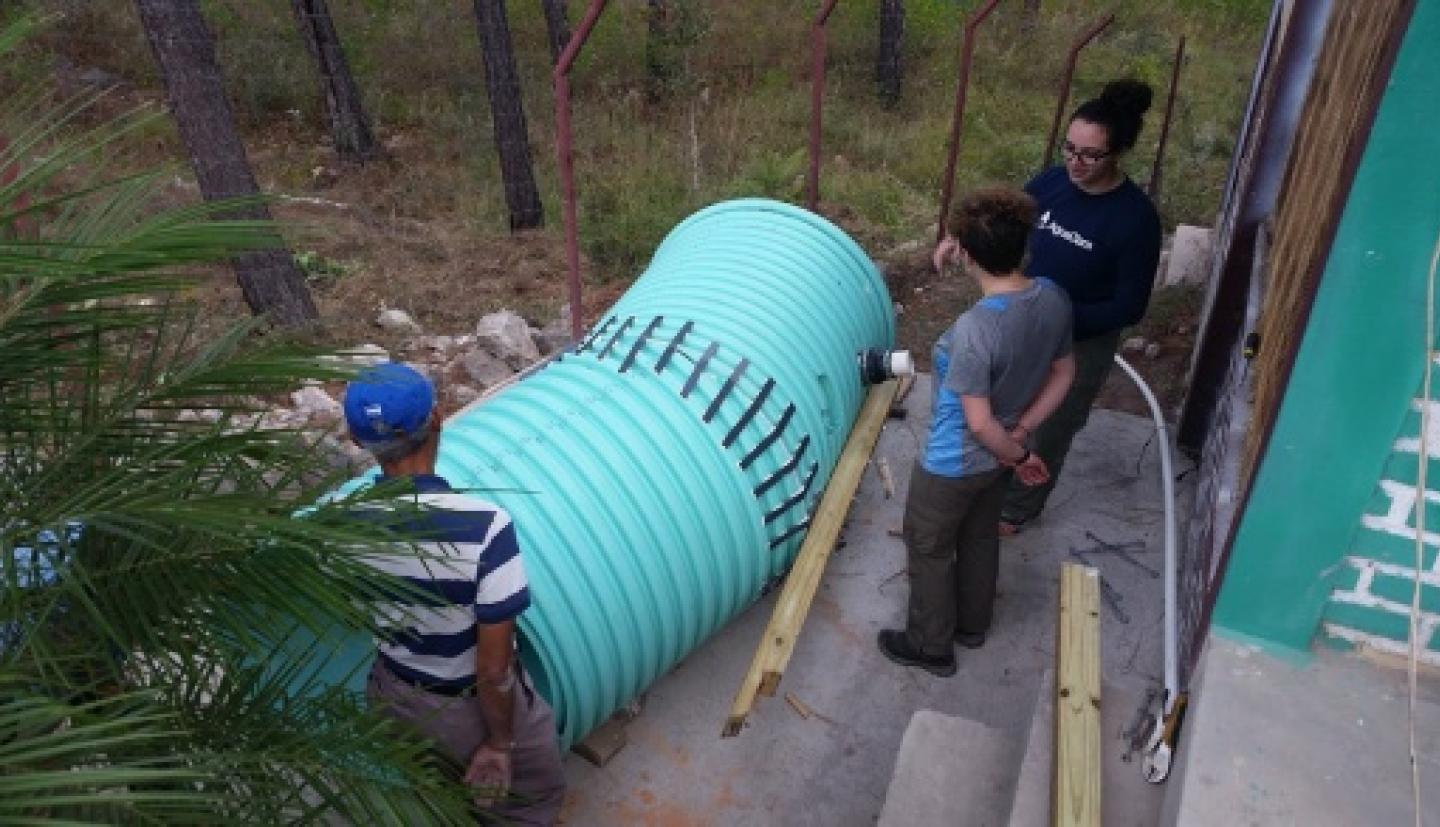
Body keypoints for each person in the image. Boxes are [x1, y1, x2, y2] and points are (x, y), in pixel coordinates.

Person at [343, 362, 565, 825]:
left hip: (391, 693)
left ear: (356, 438)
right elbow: (493, 668)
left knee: (442, 790)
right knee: (530, 798)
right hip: (462, 708)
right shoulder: (484, 527)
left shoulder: (339, 529)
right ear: (439, 417)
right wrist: (501, 744)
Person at [878, 189, 1076, 676]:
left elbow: (979, 423)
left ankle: (930, 646)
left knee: (928, 546)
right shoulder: (1052, 297)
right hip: (997, 460)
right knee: (981, 538)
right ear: (1024, 246)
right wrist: (1023, 438)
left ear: (965, 254)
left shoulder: (976, 330)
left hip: (952, 463)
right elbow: (1064, 373)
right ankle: (972, 624)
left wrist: (1014, 453)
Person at [998, 78, 1164, 534]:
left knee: (1050, 427)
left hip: (1078, 343)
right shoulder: (1051, 183)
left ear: (1118, 153)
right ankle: (987, 479)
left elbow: (1129, 306)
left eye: (1090, 155)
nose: (1075, 162)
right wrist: (967, 238)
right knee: (1000, 408)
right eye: (1069, 149)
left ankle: (1016, 508)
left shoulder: (1135, 220)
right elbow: (1008, 220)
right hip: (1019, 321)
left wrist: (1057, 316)